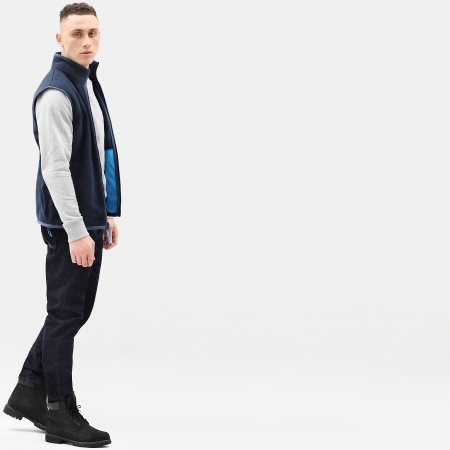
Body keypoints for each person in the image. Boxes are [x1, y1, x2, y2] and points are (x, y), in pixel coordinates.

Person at [3, 3, 121, 447]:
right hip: (68, 224)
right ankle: (59, 413)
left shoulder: (85, 82)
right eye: (76, 34)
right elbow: (55, 169)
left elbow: (99, 153)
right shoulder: (56, 93)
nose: (87, 41)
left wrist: (107, 214)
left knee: (74, 312)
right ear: (59, 39)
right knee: (65, 315)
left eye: (93, 32)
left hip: (88, 217)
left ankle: (29, 389)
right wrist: (76, 230)